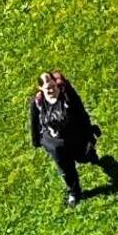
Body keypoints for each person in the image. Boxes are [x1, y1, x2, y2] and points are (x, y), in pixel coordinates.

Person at [32, 69, 102, 205]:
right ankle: (74, 192)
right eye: (47, 88)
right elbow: (34, 122)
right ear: (40, 88)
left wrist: (89, 133)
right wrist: (37, 141)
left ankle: (91, 155)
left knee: (83, 157)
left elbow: (81, 112)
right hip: (55, 144)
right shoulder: (37, 102)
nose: (51, 90)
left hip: (74, 136)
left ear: (55, 82)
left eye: (52, 85)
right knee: (65, 169)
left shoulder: (67, 95)